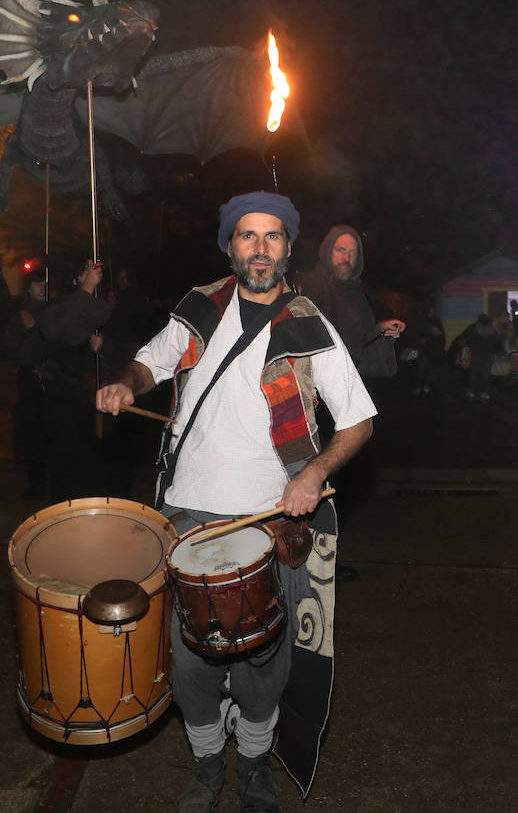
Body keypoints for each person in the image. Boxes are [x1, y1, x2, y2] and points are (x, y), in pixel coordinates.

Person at [94, 192, 375, 813]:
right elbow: (151, 363)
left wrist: (314, 474)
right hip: (188, 513)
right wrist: (124, 382)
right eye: (248, 236)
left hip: (270, 520)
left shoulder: (308, 322)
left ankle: (252, 763)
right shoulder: (200, 307)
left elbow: (358, 422)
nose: (260, 248)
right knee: (190, 654)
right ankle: (203, 765)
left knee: (262, 656)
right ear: (230, 245)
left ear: (287, 247)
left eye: (272, 236)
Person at [38, 259, 111, 503]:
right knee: (65, 455)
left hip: (90, 395)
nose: (92, 273)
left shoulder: (101, 304)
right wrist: (86, 289)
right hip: (62, 394)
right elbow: (66, 331)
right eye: (86, 270)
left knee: (90, 458)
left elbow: (107, 321)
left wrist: (103, 346)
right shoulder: (56, 308)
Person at [295, 224, 405, 378]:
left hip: (348, 384)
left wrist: (380, 330)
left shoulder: (356, 295)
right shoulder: (309, 286)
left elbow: (357, 347)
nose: (346, 258)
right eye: (341, 250)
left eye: (353, 252)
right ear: (328, 251)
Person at [3, 268, 50, 499]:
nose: (43, 288)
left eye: (45, 284)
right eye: (39, 284)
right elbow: (13, 348)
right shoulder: (21, 314)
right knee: (32, 428)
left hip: (53, 378)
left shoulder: (52, 311)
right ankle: (35, 482)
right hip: (31, 379)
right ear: (30, 287)